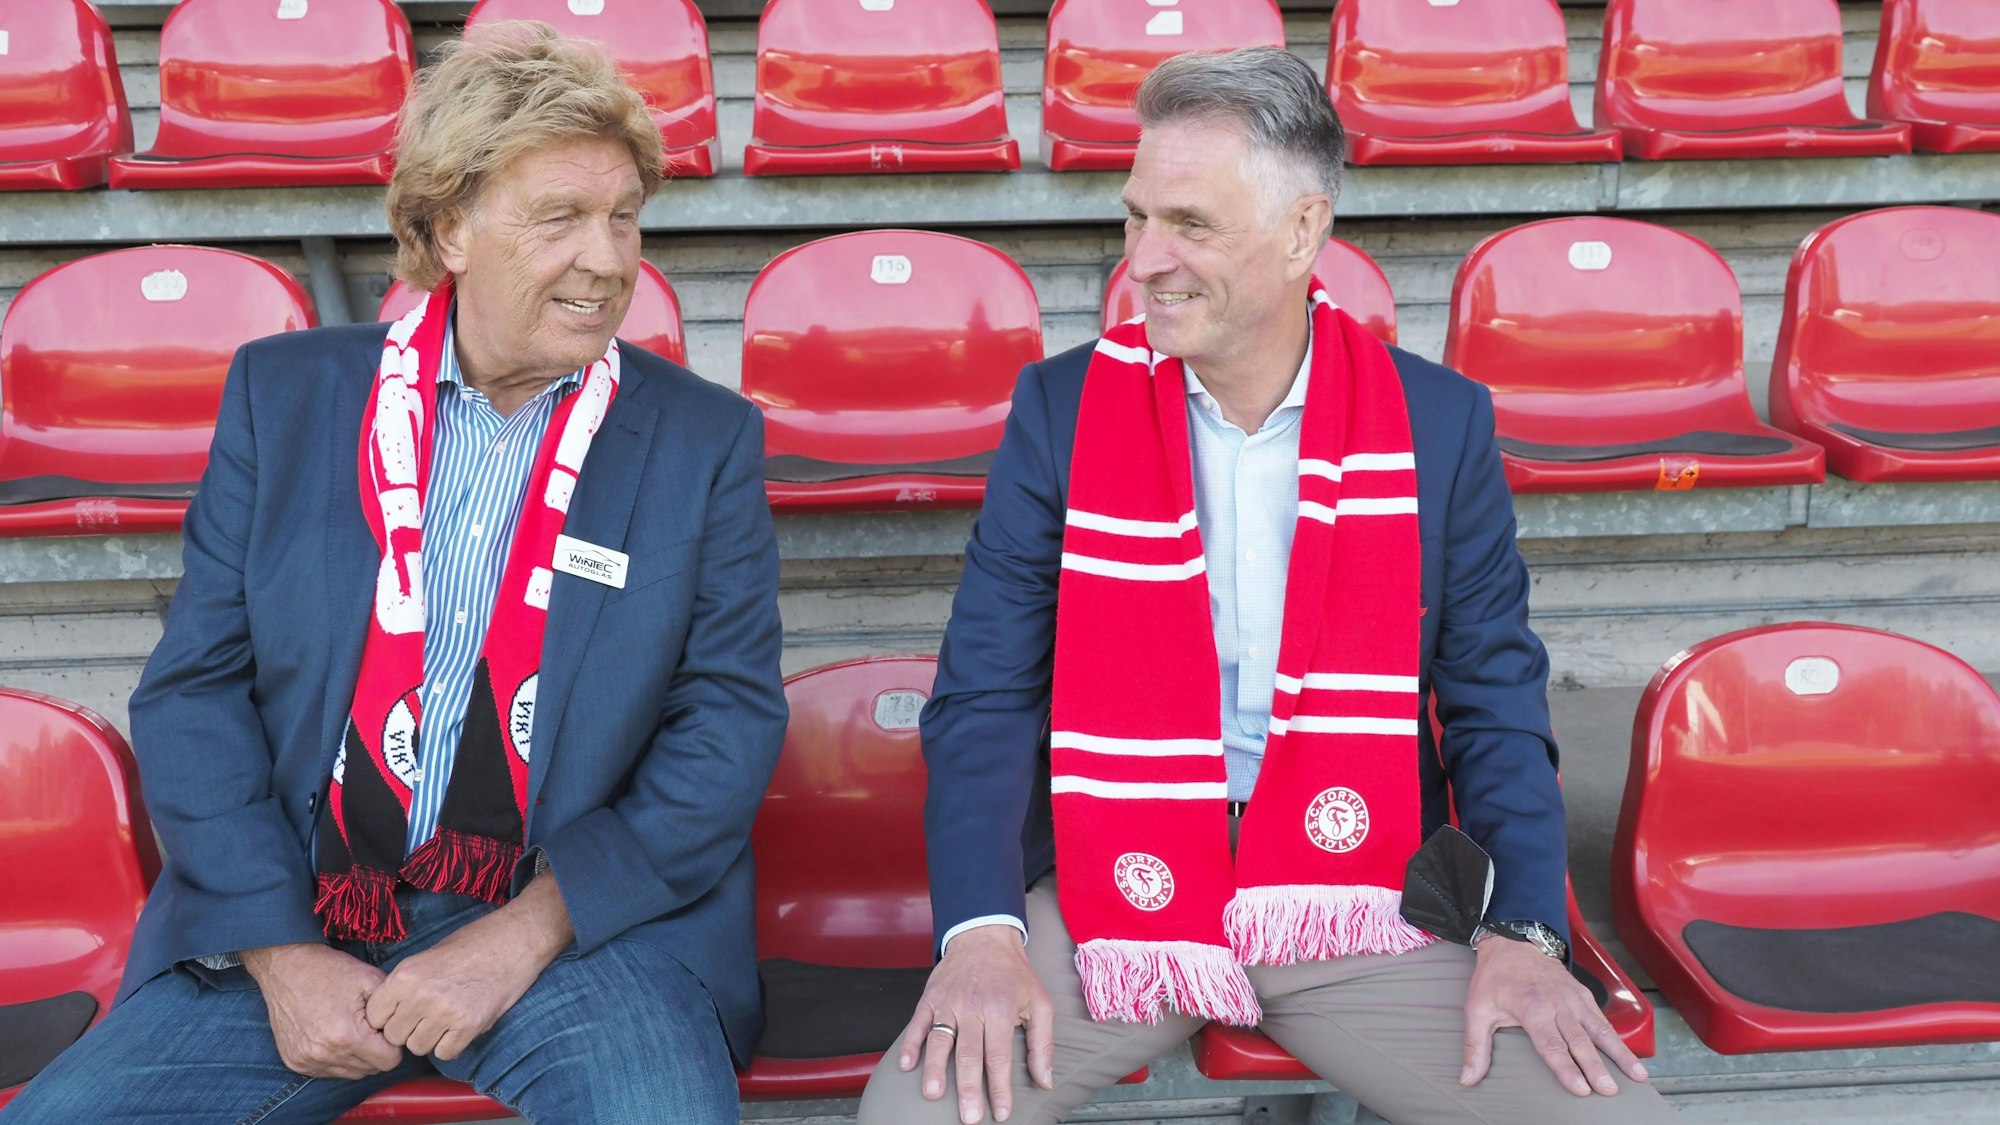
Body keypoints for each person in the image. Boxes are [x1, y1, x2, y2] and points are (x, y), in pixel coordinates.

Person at [859, 48, 1679, 1125]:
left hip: (1360, 891)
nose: (1144, 260)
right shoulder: (1060, 413)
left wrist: (1520, 931)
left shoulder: (1435, 425)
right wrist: (979, 931)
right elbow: (983, 696)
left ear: (1303, 231)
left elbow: (1493, 702)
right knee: (914, 1116)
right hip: (1120, 884)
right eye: (1133, 218)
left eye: (1188, 225)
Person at [4, 22, 786, 1124]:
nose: (609, 260)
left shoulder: (700, 440)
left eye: (623, 217)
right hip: (307, 910)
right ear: (447, 228)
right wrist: (280, 953)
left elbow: (727, 723)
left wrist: (517, 939)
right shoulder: (286, 400)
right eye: (559, 219)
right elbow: (194, 695)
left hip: (572, 929)